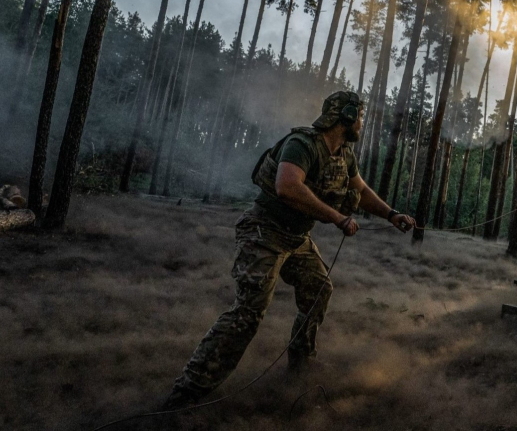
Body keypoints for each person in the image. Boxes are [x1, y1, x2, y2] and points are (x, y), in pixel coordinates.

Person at [163, 90, 415, 409]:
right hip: (264, 231)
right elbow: (287, 187)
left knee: (318, 290)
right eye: (360, 116)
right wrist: (337, 217)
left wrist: (392, 215)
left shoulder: (345, 155)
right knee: (248, 313)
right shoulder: (302, 144)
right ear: (347, 116)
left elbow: (360, 191)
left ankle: (300, 369)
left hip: (297, 238)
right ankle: (186, 393)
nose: (362, 123)